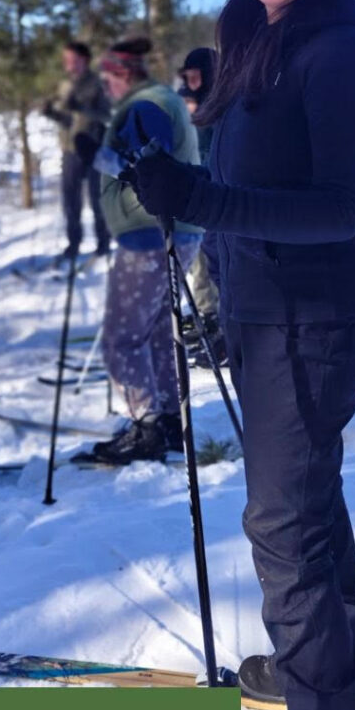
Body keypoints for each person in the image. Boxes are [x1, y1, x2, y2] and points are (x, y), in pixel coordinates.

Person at [132, 0, 355, 710]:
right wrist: (187, 131)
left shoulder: (340, 51)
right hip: (261, 312)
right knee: (308, 517)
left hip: (307, 322)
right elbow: (251, 151)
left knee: (287, 531)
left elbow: (337, 208)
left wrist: (198, 198)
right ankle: (315, 674)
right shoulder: (258, 35)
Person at [72, 37, 202, 466]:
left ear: (124, 74)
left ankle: (147, 425)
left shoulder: (145, 105)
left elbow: (148, 166)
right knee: (157, 332)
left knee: (123, 338)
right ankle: (167, 418)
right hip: (172, 231)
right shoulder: (160, 99)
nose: (107, 87)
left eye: (109, 78)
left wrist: (96, 154)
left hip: (151, 235)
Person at [175, 47, 226, 369]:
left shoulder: (222, 101)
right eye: (187, 77)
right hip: (195, 193)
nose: (190, 82)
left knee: (214, 260)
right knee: (200, 261)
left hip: (217, 193)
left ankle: (219, 322)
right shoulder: (188, 102)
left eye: (195, 75)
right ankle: (206, 315)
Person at [42, 40, 111, 260]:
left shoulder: (98, 84)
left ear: (85, 60)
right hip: (70, 150)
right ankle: (73, 243)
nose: (69, 64)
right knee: (70, 200)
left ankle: (103, 242)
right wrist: (52, 113)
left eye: (73, 60)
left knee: (97, 198)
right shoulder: (63, 85)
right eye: (67, 60)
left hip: (94, 147)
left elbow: (107, 116)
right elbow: (66, 119)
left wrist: (81, 109)